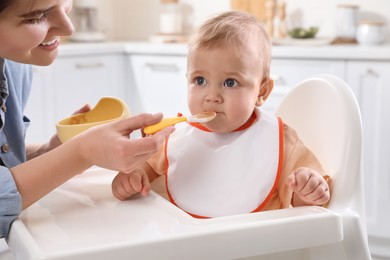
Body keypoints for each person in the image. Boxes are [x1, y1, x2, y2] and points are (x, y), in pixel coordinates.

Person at [111, 11, 331, 218]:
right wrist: (133, 178)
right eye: (200, 81)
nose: (212, 96)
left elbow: (306, 205)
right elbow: (147, 167)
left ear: (262, 91)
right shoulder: (174, 136)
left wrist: (307, 190)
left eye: (230, 82)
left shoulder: (280, 140)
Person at [0, 0, 174, 237]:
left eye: (64, 2)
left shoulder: (15, 64)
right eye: (36, 17)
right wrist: (80, 153)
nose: (69, 28)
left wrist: (50, 152)